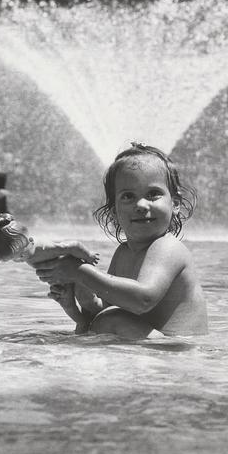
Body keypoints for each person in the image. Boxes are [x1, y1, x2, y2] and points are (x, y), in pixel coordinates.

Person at [34, 142, 208, 339]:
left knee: (112, 320)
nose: (141, 205)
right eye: (128, 196)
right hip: (157, 346)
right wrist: (76, 299)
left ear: (175, 204)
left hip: (178, 350)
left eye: (153, 194)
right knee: (96, 324)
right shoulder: (124, 252)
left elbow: (143, 299)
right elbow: (104, 309)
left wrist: (79, 271)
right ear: (114, 212)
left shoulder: (167, 248)